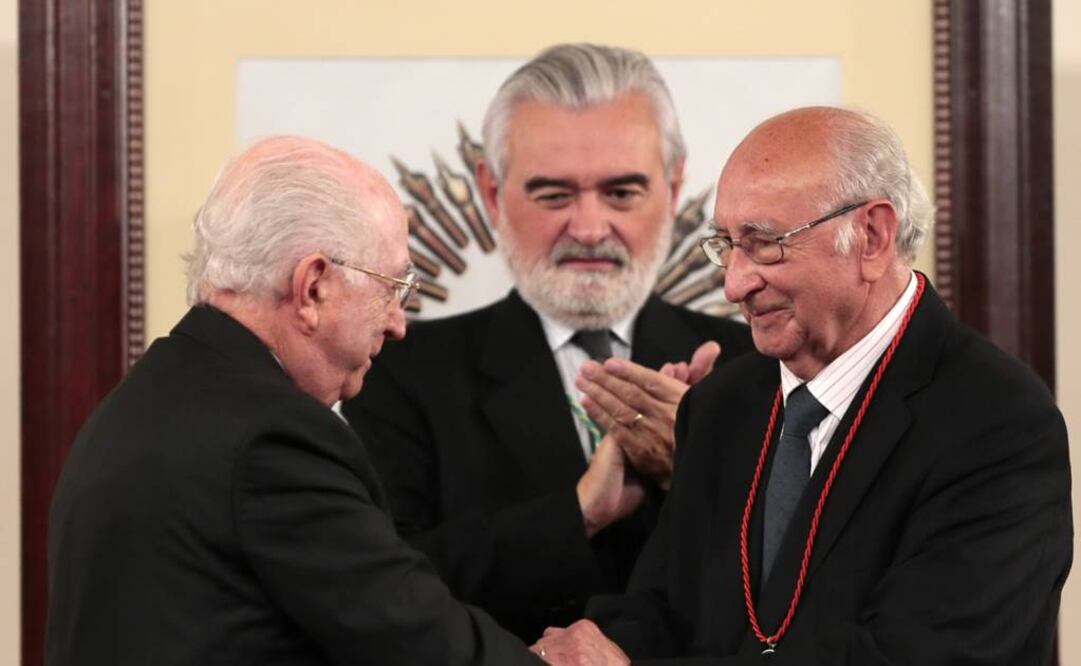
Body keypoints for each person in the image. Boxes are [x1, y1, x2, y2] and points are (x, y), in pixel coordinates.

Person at [532, 106, 1072, 665]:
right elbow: (665, 610)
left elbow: (911, 656)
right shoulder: (721, 405)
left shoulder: (999, 423)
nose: (735, 284)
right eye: (726, 245)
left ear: (871, 236)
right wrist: (591, 647)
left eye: (764, 243)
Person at [46, 136, 541, 665]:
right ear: (313, 288)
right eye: (391, 287)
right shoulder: (272, 439)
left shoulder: (151, 396)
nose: (399, 323)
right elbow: (418, 643)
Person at [340, 43, 753, 641]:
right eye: (554, 195)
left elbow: (805, 585)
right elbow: (382, 591)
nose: (588, 227)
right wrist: (579, 513)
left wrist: (692, 467)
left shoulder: (752, 363)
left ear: (674, 185)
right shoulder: (401, 372)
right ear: (490, 193)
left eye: (621, 193)